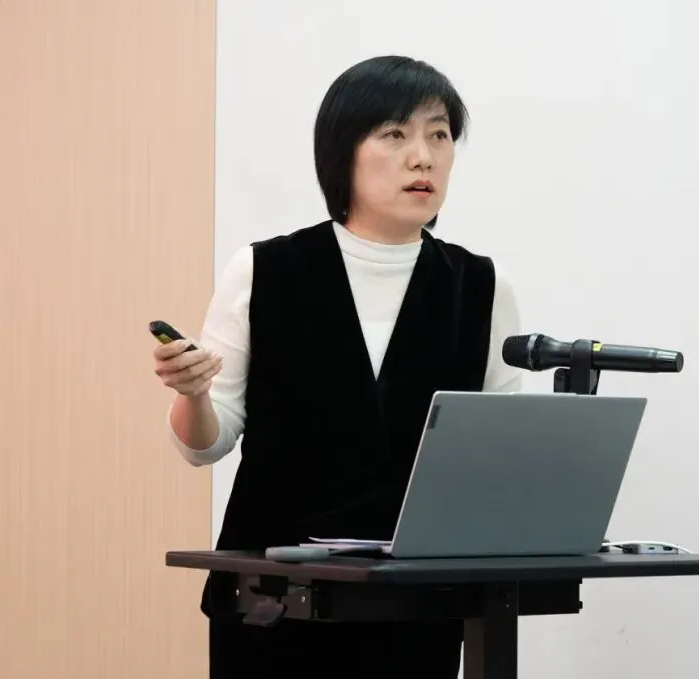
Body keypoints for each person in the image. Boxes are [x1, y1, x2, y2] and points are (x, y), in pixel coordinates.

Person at [153, 55, 522, 679]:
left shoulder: (483, 286)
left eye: (439, 135)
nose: (423, 157)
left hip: (417, 603)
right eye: (395, 134)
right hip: (274, 599)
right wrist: (193, 394)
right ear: (341, 152)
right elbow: (204, 446)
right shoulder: (265, 270)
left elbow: (500, 451)